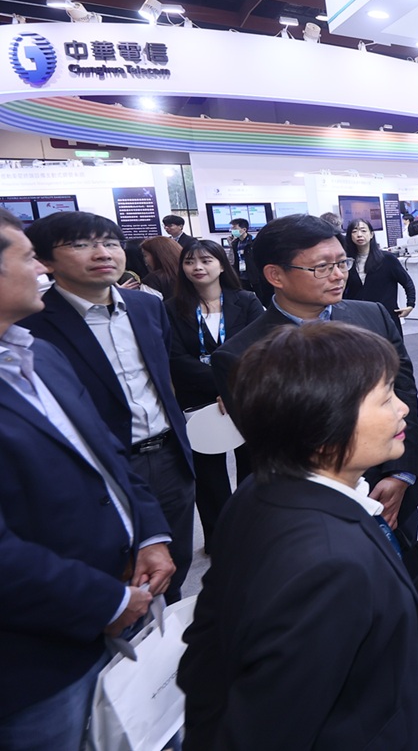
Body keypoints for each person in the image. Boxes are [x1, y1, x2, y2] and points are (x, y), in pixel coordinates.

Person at [210, 213, 418, 722]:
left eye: (342, 261)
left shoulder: (372, 314)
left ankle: (407, 678)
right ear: (276, 275)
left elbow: (405, 396)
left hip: (390, 487)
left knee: (398, 588)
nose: (338, 273)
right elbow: (277, 449)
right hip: (316, 501)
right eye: (321, 266)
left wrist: (402, 475)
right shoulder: (243, 353)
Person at [179, 323, 418, 750]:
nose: (404, 408)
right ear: (323, 428)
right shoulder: (330, 566)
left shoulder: (259, 490)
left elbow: (208, 654)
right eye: (386, 397)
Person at [0, 207, 175, 751]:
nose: (39, 270)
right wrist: (105, 601)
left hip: (122, 593)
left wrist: (149, 533)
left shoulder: (36, 355)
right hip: (36, 657)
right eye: (28, 258)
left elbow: (105, 456)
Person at [21, 211, 197, 598]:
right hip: (101, 467)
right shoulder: (33, 322)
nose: (102, 253)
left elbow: (162, 376)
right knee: (118, 569)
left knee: (175, 560)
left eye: (111, 243)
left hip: (169, 456)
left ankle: (171, 631)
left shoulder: (146, 306)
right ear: (46, 261)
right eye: (81, 245)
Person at [165, 239, 265, 543]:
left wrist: (232, 387)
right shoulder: (171, 308)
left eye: (206, 260)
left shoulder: (246, 301)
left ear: (222, 265)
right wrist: (220, 384)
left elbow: (259, 348)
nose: (197, 267)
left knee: (253, 467)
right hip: (197, 399)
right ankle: (220, 538)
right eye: (190, 262)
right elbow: (175, 357)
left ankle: (256, 532)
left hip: (244, 395)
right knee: (208, 475)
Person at [343, 218, 415, 328]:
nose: (359, 234)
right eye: (354, 231)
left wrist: (410, 304)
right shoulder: (347, 261)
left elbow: (407, 282)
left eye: (363, 230)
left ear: (371, 234)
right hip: (358, 316)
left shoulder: (386, 259)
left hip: (384, 316)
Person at [140, 235, 183, 299]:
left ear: (156, 255)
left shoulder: (153, 280)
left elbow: (148, 304)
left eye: (145, 255)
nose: (145, 261)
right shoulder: (188, 274)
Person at [227, 217, 255, 291]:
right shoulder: (235, 243)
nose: (232, 231)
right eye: (232, 228)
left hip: (254, 276)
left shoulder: (253, 242)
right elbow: (232, 260)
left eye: (235, 228)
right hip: (241, 276)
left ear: (244, 229)